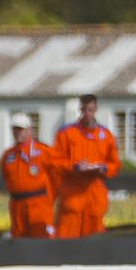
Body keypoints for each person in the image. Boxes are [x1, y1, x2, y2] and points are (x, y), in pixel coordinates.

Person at [52, 93, 120, 238]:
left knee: (94, 241)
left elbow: (114, 163)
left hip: (95, 191)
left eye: (91, 110)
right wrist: (75, 167)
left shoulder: (106, 135)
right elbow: (56, 161)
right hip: (72, 191)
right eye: (84, 110)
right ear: (80, 109)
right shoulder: (67, 133)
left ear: (96, 109)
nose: (87, 114)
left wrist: (104, 168)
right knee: (66, 239)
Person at [0, 114, 56, 238]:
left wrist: (49, 200)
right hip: (17, 206)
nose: (17, 132)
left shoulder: (44, 151)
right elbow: (6, 178)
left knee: (41, 241)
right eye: (14, 129)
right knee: (19, 243)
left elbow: (57, 177)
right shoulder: (8, 155)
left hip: (39, 204)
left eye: (20, 129)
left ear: (29, 129)